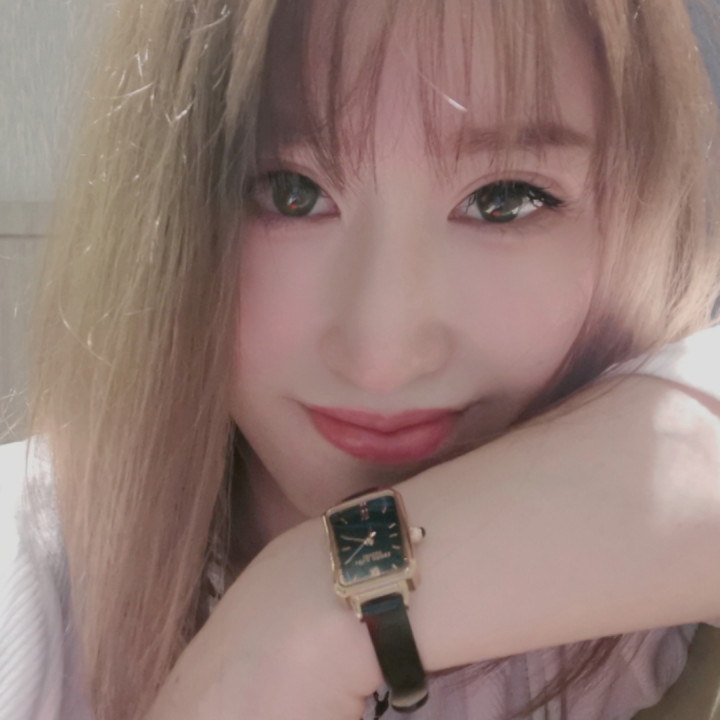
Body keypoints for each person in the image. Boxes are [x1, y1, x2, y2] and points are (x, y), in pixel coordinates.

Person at [1, 0, 720, 719]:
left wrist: (311, 616)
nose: (384, 357)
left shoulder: (637, 610)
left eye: (504, 200)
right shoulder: (30, 578)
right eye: (291, 193)